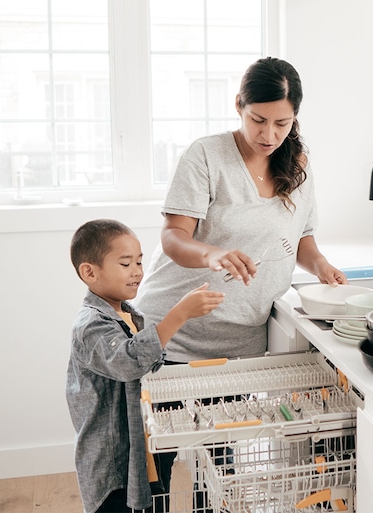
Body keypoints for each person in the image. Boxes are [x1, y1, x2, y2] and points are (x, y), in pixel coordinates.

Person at [133, 56, 347, 501]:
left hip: (239, 343)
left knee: (222, 468)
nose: (269, 135)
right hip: (174, 332)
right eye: (258, 120)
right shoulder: (207, 155)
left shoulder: (298, 162)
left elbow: (301, 236)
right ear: (239, 106)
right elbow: (173, 237)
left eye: (282, 123)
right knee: (156, 467)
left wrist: (321, 265)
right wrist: (212, 254)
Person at [66, 219, 224, 513]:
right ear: (89, 272)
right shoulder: (90, 325)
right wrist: (180, 313)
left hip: (142, 452)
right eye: (125, 264)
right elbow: (129, 361)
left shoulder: (129, 314)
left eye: (139, 261)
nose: (138, 271)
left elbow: (148, 365)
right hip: (113, 465)